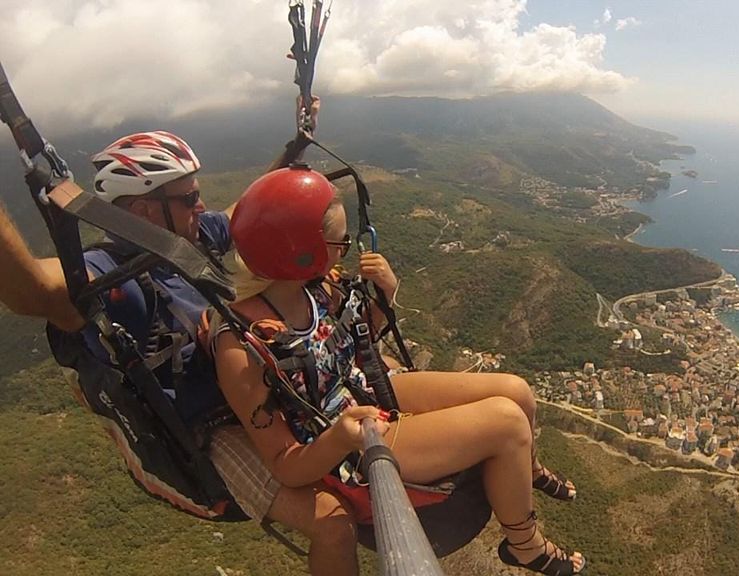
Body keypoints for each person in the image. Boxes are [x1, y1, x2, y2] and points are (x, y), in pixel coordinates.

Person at [0, 107, 370, 576]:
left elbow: (244, 214)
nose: (201, 205)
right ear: (142, 211)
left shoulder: (193, 238)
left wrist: (296, 146)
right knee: (332, 524)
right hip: (214, 433)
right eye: (189, 197)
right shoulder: (117, 280)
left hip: (257, 393)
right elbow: (33, 289)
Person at [213, 165, 587, 575]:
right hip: (345, 437)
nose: (346, 249)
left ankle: (527, 470)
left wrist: (387, 293)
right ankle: (525, 545)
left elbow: (345, 343)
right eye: (339, 240)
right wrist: (339, 438)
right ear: (300, 251)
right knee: (508, 423)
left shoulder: (313, 290)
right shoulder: (241, 345)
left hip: (363, 391)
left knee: (517, 391)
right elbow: (285, 463)